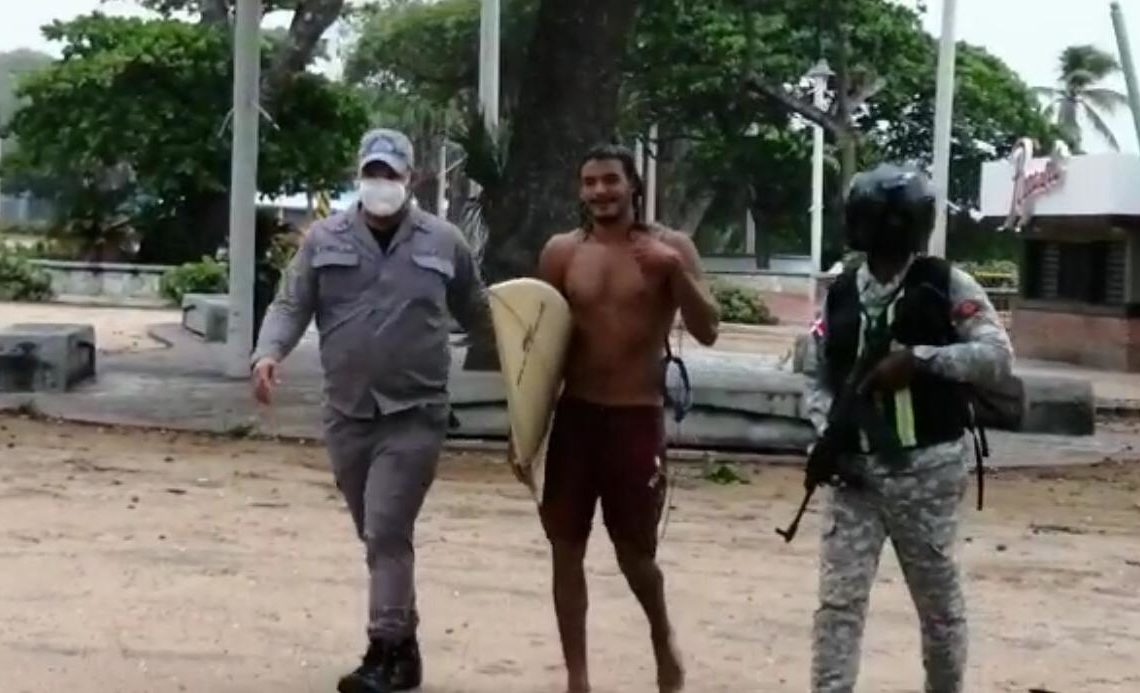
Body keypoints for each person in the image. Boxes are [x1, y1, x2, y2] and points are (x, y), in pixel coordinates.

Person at [250, 128, 493, 693]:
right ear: (360, 175)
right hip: (348, 411)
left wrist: (528, 364)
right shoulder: (322, 239)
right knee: (376, 532)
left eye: (392, 174)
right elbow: (292, 303)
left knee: (386, 528)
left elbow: (480, 311)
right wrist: (267, 354)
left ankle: (382, 650)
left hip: (416, 411)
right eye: (373, 173)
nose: (381, 184)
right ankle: (405, 655)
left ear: (411, 179)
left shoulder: (444, 241)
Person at [803, 163, 1014, 693]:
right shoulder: (842, 291)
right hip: (853, 471)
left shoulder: (946, 284)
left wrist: (921, 361)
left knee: (938, 607)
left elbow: (996, 357)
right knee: (838, 606)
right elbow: (815, 372)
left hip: (926, 469)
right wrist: (826, 430)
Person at [534, 143, 720, 693]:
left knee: (636, 556)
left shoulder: (671, 248)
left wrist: (676, 275)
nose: (600, 192)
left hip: (636, 417)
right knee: (565, 548)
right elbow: (538, 346)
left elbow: (709, 328)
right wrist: (525, 432)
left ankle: (662, 639)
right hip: (575, 417)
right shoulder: (562, 253)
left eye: (610, 181)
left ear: (633, 185)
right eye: (589, 182)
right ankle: (578, 677)